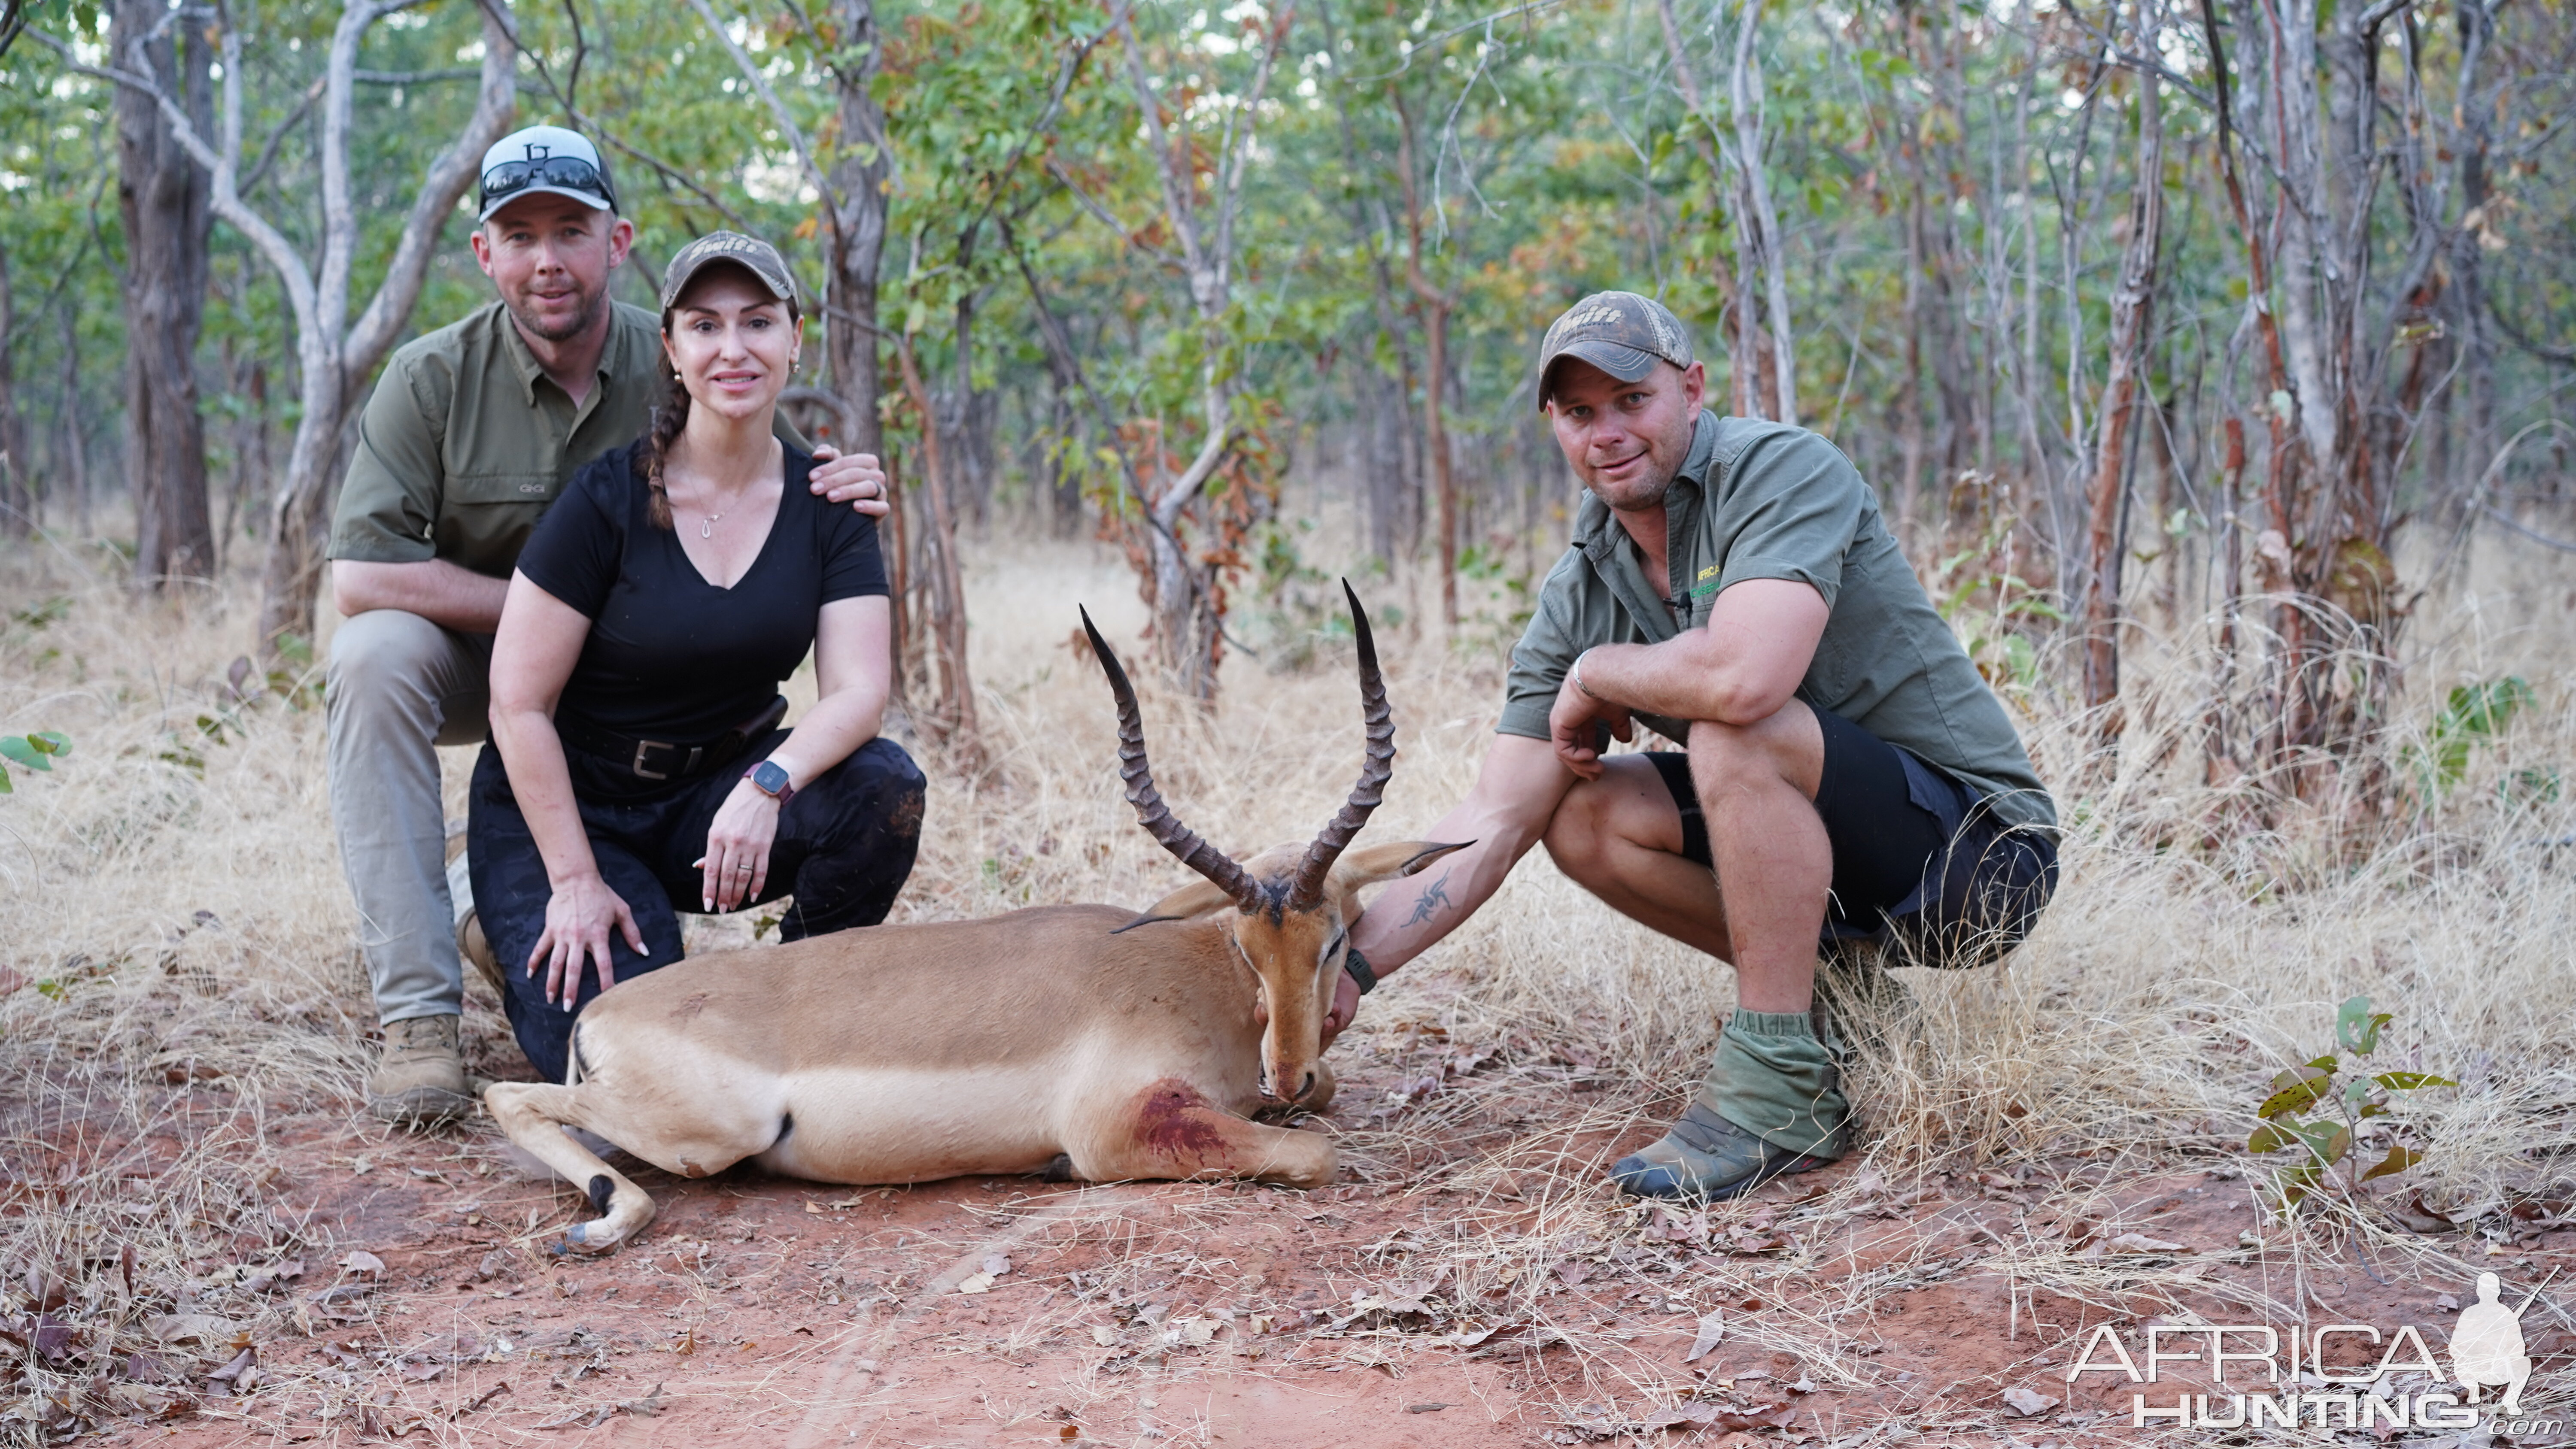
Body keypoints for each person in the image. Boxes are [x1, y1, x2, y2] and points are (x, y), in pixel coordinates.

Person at [1336, 292, 2059, 1201]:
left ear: (1691, 389)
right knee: (1587, 812)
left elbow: (1744, 680)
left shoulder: (1781, 469)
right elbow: (1492, 813)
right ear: (1554, 425)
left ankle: (1777, 1099)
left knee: (1732, 731)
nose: (1607, 432)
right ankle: (1852, 1015)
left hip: (1978, 862)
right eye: (1580, 412)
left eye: (1631, 400)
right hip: (1827, 849)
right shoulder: (1586, 577)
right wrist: (1346, 969)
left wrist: (1599, 671)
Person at [325, 125, 889, 1122]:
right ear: (485, 253)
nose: (548, 259)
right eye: (522, 234)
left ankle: (791, 1003)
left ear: (616, 242)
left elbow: (775, 484)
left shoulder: (688, 356)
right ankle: (419, 1012)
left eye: (572, 232)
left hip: (664, 723)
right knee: (372, 655)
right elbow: (363, 573)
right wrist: (573, 610)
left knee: (879, 792)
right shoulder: (431, 376)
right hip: (498, 673)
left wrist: (848, 480)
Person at [470, 230, 925, 1085]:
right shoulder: (606, 500)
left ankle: (800, 1004)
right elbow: (516, 703)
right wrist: (572, 880)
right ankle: (507, 907)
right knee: (634, 1070)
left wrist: (768, 785)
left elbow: (860, 692)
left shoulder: (828, 503)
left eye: (757, 323)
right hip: (574, 810)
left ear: (795, 339)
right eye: (706, 327)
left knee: (885, 787)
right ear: (672, 348)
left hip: (714, 801)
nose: (733, 349)